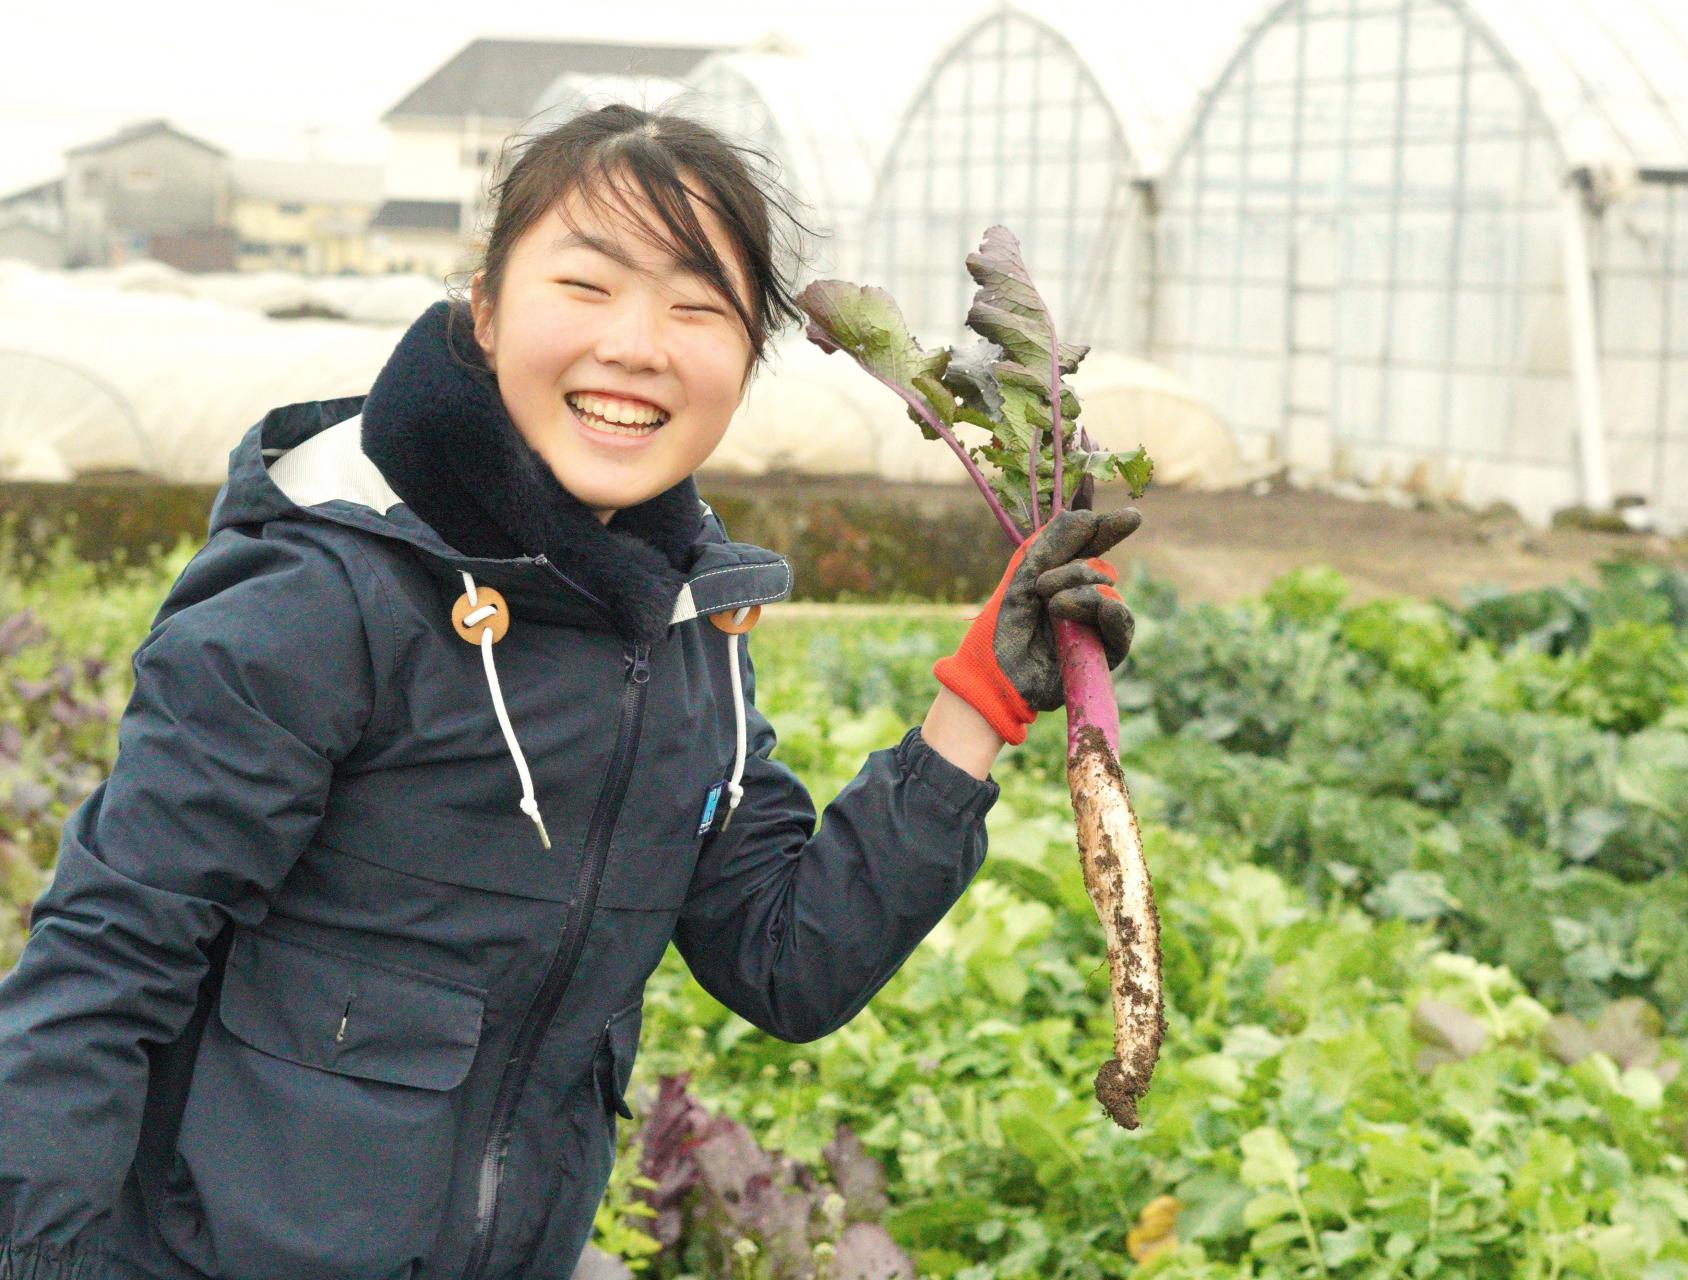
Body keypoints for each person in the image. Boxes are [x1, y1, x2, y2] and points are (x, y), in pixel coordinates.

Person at [0, 104, 1141, 1280]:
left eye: (699, 307)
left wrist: (980, 699)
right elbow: (106, 965)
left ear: (744, 361)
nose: (640, 346)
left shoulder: (685, 617)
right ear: (486, 311)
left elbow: (788, 959)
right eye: (588, 285)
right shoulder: (324, 594)